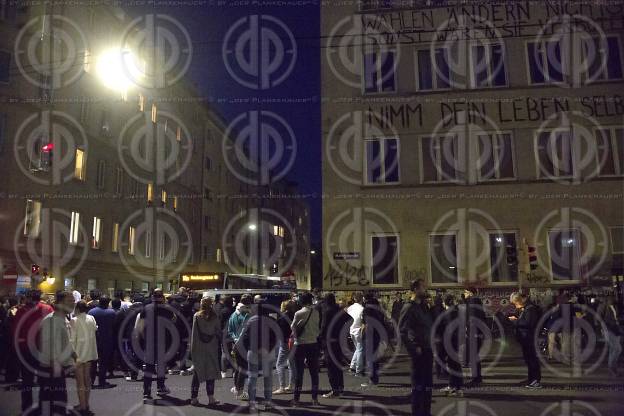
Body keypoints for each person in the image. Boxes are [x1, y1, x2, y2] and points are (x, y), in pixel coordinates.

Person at [12, 289, 54, 412]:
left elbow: (15, 331)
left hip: (26, 350)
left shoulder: (21, 311)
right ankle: (43, 406)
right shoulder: (47, 309)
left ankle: (27, 407)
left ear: (28, 298)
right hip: (43, 350)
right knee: (44, 380)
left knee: (27, 380)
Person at [236, 298, 278, 411]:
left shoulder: (251, 320)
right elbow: (275, 338)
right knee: (268, 377)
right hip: (268, 352)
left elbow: (244, 338)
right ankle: (268, 402)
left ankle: (252, 403)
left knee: (252, 377)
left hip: (253, 351)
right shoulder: (272, 320)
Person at [38, 291, 76, 414]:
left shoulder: (63, 318)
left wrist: (74, 356)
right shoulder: (52, 320)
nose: (73, 303)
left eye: (73, 300)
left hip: (58, 368)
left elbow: (66, 342)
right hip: (52, 368)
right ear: (59, 303)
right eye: (69, 301)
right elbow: (50, 347)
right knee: (52, 403)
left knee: (57, 402)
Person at [399, 279, 433, 416]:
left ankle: (426, 412)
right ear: (415, 289)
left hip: (428, 349)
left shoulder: (423, 306)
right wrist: (413, 349)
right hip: (419, 352)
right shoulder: (409, 308)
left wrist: (433, 307)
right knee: (419, 386)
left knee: (428, 385)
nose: (426, 290)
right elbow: (402, 331)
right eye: (423, 287)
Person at [136, 289, 176, 402]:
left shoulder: (146, 308)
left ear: (153, 297)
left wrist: (144, 338)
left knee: (148, 368)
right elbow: (174, 320)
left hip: (149, 342)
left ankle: (146, 393)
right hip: (162, 342)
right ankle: (160, 387)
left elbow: (141, 327)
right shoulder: (167, 309)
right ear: (162, 298)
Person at [189, 296, 221, 406]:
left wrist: (192, 350)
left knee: (197, 374)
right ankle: (211, 398)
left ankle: (193, 398)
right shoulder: (215, 316)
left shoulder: (196, 316)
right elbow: (218, 332)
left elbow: (194, 334)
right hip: (211, 347)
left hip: (199, 347)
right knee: (210, 374)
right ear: (211, 304)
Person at [291, 291, 321, 407]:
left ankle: (296, 399)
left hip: (300, 345)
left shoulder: (299, 313)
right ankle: (314, 399)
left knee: (299, 373)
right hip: (313, 344)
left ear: (302, 301)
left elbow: (293, 328)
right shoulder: (316, 312)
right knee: (314, 373)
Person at [70, 300, 98, 415]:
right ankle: (86, 403)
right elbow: (95, 329)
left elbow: (71, 339)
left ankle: (82, 406)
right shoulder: (91, 318)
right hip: (90, 352)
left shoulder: (74, 320)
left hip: (78, 353)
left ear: (77, 308)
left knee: (80, 382)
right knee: (87, 380)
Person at [509, 292, 542, 389]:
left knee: (532, 359)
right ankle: (531, 379)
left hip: (530, 338)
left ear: (519, 300)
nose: (515, 305)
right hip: (525, 338)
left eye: (515, 303)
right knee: (528, 360)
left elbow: (528, 323)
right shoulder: (526, 308)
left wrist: (515, 321)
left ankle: (535, 380)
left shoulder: (530, 309)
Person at [321, 293, 349, 398]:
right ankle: (340, 388)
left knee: (331, 366)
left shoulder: (327, 311)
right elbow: (349, 318)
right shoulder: (339, 310)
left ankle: (335, 390)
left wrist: (320, 339)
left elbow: (324, 327)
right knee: (338, 364)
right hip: (339, 340)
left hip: (329, 341)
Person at [227, 294, 252, 400]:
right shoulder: (247, 314)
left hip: (236, 343)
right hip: (244, 344)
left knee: (238, 367)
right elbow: (245, 331)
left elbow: (230, 330)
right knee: (243, 368)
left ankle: (236, 388)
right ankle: (240, 391)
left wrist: (235, 339)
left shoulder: (233, 314)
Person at [88, 295, 116, 388]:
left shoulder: (92, 312)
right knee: (103, 362)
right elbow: (114, 325)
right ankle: (102, 381)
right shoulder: (111, 312)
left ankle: (90, 381)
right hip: (107, 339)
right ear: (108, 303)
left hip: (94, 339)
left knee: (93, 362)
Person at [361, 292, 386, 387]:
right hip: (378, 334)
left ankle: (372, 379)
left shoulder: (367, 309)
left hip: (370, 335)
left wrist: (362, 334)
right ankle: (375, 378)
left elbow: (366, 324)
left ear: (365, 298)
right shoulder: (378, 308)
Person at [439, 295, 463, 396]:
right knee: (456, 364)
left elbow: (442, 329)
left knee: (452, 364)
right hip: (457, 340)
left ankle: (453, 387)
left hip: (449, 341)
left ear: (444, 303)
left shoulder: (446, 314)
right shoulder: (458, 313)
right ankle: (458, 387)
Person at [462, 288, 485, 386]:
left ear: (470, 293)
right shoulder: (476, 302)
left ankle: (476, 379)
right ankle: (477, 378)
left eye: (465, 292)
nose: (464, 294)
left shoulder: (472, 303)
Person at [274, 299, 296, 394]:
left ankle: (282, 387)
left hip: (285, 342)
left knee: (279, 364)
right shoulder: (295, 315)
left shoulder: (282, 318)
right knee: (291, 363)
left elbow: (280, 332)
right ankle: (292, 385)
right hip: (294, 341)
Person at [599, 295, 622, 376]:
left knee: (614, 349)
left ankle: (613, 367)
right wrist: (601, 329)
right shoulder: (603, 306)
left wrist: (618, 322)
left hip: (615, 329)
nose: (613, 299)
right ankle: (611, 366)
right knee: (617, 349)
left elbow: (616, 317)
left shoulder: (614, 306)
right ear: (607, 299)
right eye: (611, 298)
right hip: (608, 329)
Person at [215, 295, 235, 379]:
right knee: (234, 353)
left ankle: (223, 371)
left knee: (224, 352)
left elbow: (219, 324)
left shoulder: (222, 311)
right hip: (234, 333)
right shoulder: (234, 311)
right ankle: (234, 371)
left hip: (225, 333)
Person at [347, 291, 365, 376]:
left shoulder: (350, 308)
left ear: (354, 298)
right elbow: (363, 321)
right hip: (358, 330)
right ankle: (359, 370)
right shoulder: (362, 309)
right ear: (362, 298)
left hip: (351, 330)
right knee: (360, 349)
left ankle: (352, 367)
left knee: (357, 349)